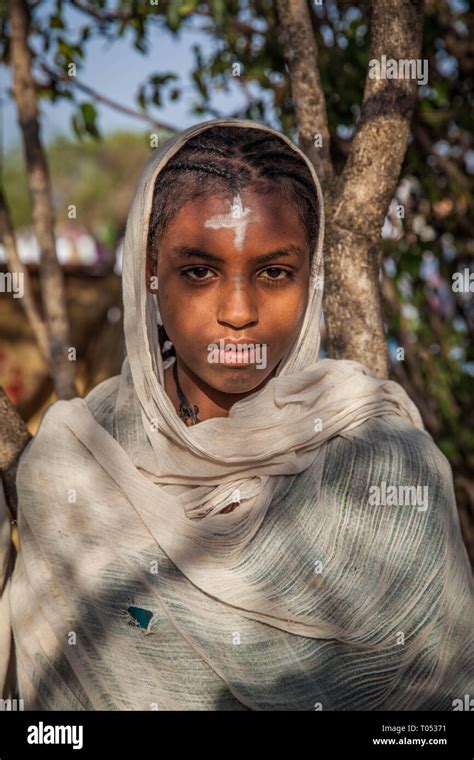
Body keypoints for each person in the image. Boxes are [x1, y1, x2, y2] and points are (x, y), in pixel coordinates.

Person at [0, 118, 472, 710]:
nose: (240, 312)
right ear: (149, 271)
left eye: (275, 273)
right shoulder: (73, 465)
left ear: (310, 277)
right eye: (199, 272)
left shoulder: (391, 468)